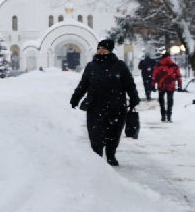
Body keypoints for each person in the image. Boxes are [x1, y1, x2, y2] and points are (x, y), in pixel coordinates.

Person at [70, 38, 141, 166]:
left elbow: (129, 84)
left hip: (116, 106)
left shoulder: (120, 65)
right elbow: (83, 84)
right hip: (95, 106)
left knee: (113, 133)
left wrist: (134, 98)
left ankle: (110, 155)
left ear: (110, 50)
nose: (101, 50)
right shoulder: (91, 66)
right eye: (99, 48)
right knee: (95, 134)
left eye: (104, 48)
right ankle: (97, 157)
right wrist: (75, 98)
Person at [152, 52, 183, 122]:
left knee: (161, 101)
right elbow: (178, 76)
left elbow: (154, 76)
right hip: (171, 85)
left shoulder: (159, 65)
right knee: (170, 100)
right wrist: (179, 86)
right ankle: (169, 115)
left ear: (162, 57)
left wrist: (153, 85)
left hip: (161, 85)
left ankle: (163, 115)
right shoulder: (174, 65)